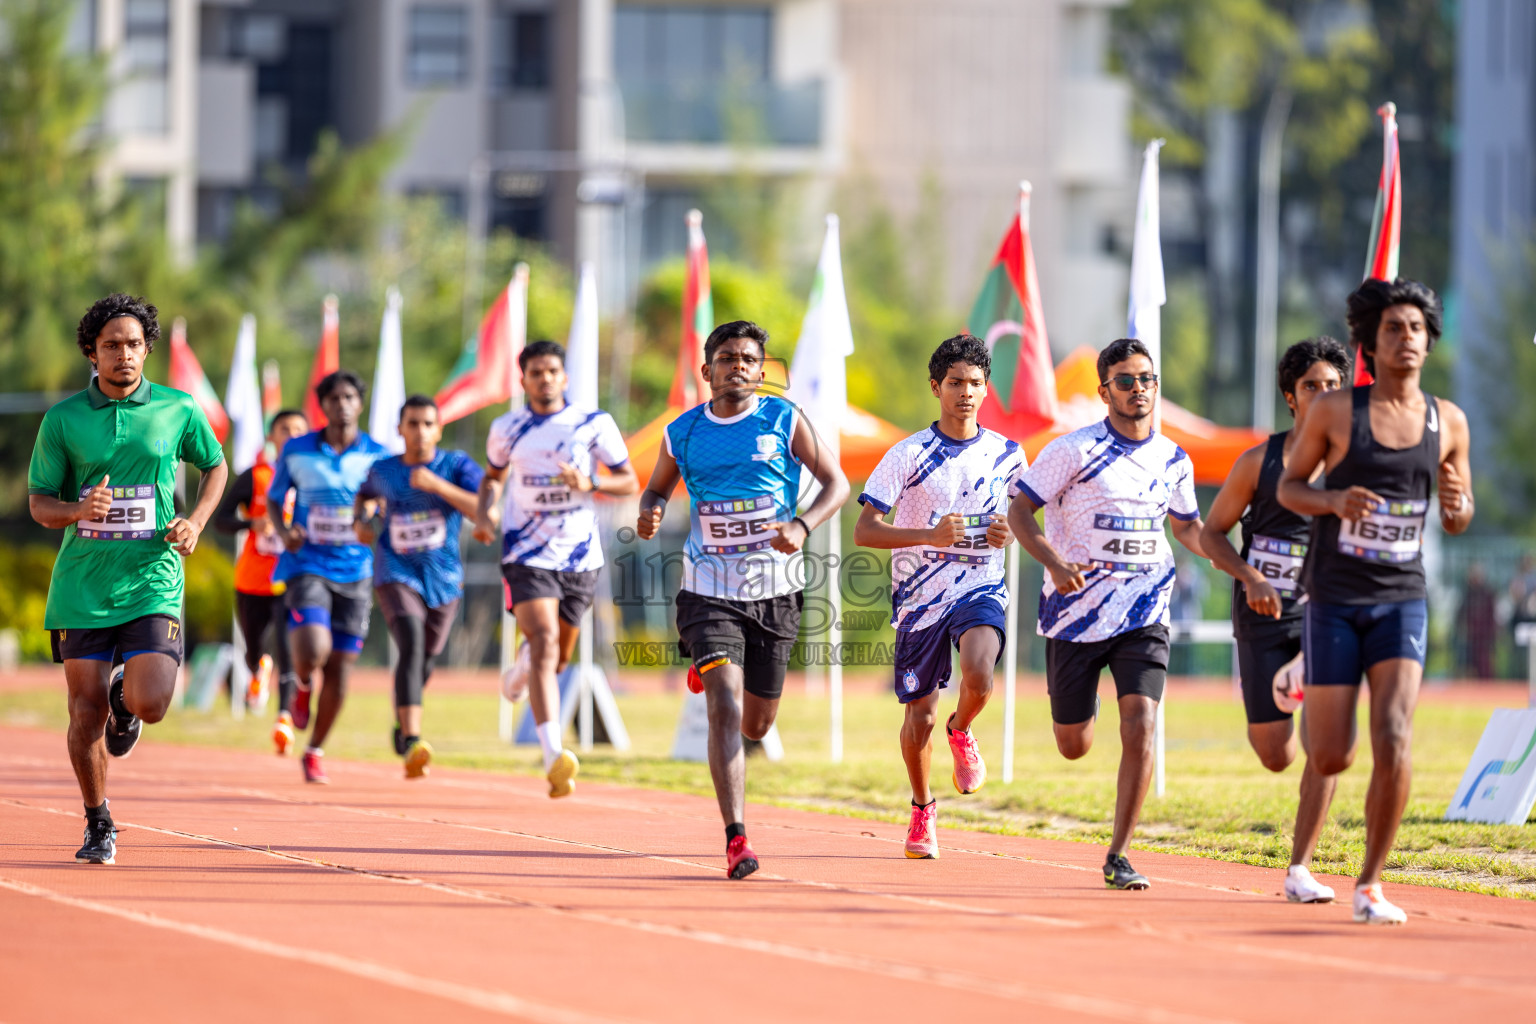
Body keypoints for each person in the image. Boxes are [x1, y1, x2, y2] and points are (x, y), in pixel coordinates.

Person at [1279, 278, 1472, 924]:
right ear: (1370, 341)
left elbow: (1459, 514)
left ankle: (1370, 885)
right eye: (1394, 328)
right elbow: (1289, 488)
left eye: (1417, 328)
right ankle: (1321, 713)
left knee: (1393, 734)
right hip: (1335, 598)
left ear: (1429, 340)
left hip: (1401, 598)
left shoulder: (1449, 422)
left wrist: (1457, 504)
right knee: (1332, 754)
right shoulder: (1336, 413)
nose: (1407, 339)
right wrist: (1333, 500)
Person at [636, 321, 850, 879]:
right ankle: (737, 839)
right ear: (706, 371)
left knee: (757, 722)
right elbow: (656, 486)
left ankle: (717, 671)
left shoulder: (784, 419)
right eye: (726, 358)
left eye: (748, 359)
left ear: (761, 371)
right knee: (724, 705)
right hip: (708, 588)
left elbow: (837, 483)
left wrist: (803, 525)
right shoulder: (681, 433)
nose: (737, 367)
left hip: (776, 589)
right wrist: (650, 507)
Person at [28, 294, 229, 863]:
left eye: (134, 345)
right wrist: (77, 510)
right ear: (92, 352)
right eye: (112, 345)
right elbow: (40, 503)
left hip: (153, 578)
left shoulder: (178, 409)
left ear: (148, 350)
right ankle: (98, 822)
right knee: (82, 711)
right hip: (83, 585)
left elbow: (215, 466)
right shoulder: (63, 419)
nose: (124, 355)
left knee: (153, 702)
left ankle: (127, 703)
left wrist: (195, 521)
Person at [1007, 337, 1206, 891]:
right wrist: (1053, 558)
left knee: (1141, 720)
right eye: (1125, 380)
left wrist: (1229, 557)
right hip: (1075, 615)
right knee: (1074, 744)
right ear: (1104, 391)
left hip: (1145, 610)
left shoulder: (1174, 458)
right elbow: (1020, 510)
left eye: (1146, 378)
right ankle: (1083, 699)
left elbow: (1188, 526)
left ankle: (1118, 854)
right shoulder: (1071, 451)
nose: (1138, 389)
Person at [853, 334, 1023, 859]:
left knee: (980, 673)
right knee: (918, 715)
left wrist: (1007, 533)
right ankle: (923, 808)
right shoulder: (907, 455)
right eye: (955, 383)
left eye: (975, 384)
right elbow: (865, 529)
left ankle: (962, 728)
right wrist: (928, 535)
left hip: (979, 587)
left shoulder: (1008, 454)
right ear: (936, 387)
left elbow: (1019, 520)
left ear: (987, 389)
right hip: (918, 597)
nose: (965, 393)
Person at [1199, 336, 1349, 904]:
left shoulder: (1352, 465)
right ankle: (1281, 694)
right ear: (1291, 396)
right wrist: (1251, 577)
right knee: (1276, 753)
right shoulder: (1258, 462)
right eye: (1312, 385)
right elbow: (1212, 533)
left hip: (1327, 616)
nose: (1324, 394)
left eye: (1334, 385)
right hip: (1263, 615)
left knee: (1326, 743)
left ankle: (1301, 869)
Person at [474, 340, 638, 797]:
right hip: (526, 552)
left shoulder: (593, 423)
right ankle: (553, 755)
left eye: (552, 371)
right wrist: (486, 513)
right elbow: (492, 478)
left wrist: (591, 482)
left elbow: (630, 481)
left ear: (564, 377)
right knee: (545, 640)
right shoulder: (507, 428)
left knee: (557, 657)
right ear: (522, 379)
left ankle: (524, 665)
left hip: (580, 555)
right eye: (535, 372)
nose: (544, 379)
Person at [267, 369, 390, 784]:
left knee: (340, 669)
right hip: (309, 563)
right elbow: (273, 497)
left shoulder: (378, 454)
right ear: (323, 405)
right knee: (314, 649)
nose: (342, 404)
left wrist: (371, 523)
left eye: (350, 397)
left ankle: (315, 749)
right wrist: (286, 532)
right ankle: (301, 685)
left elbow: (386, 505)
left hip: (355, 569)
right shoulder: (298, 450)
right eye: (333, 398)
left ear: (360, 403)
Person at [355, 394, 484, 777]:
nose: (420, 431)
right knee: (410, 645)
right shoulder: (383, 469)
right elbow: (363, 498)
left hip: (444, 578)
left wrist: (437, 486)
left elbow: (483, 508)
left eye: (428, 424)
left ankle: (401, 720)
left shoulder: (455, 464)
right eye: (412, 423)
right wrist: (361, 520)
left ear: (438, 429)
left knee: (425, 657)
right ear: (400, 429)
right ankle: (413, 740)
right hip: (396, 570)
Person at [214, 408, 309, 754]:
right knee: (255, 648)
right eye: (286, 428)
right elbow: (221, 519)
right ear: (272, 436)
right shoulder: (256, 476)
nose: (293, 434)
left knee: (286, 648)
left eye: (300, 428)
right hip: (253, 579)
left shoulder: (314, 477)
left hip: (293, 580)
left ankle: (283, 716)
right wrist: (251, 525)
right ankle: (258, 668)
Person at [1456, 564, 1496, 680]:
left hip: (1484, 639)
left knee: (1485, 668)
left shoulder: (1487, 594)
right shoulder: (1467, 594)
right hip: (1470, 638)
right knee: (1469, 668)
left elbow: (1492, 616)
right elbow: (1461, 613)